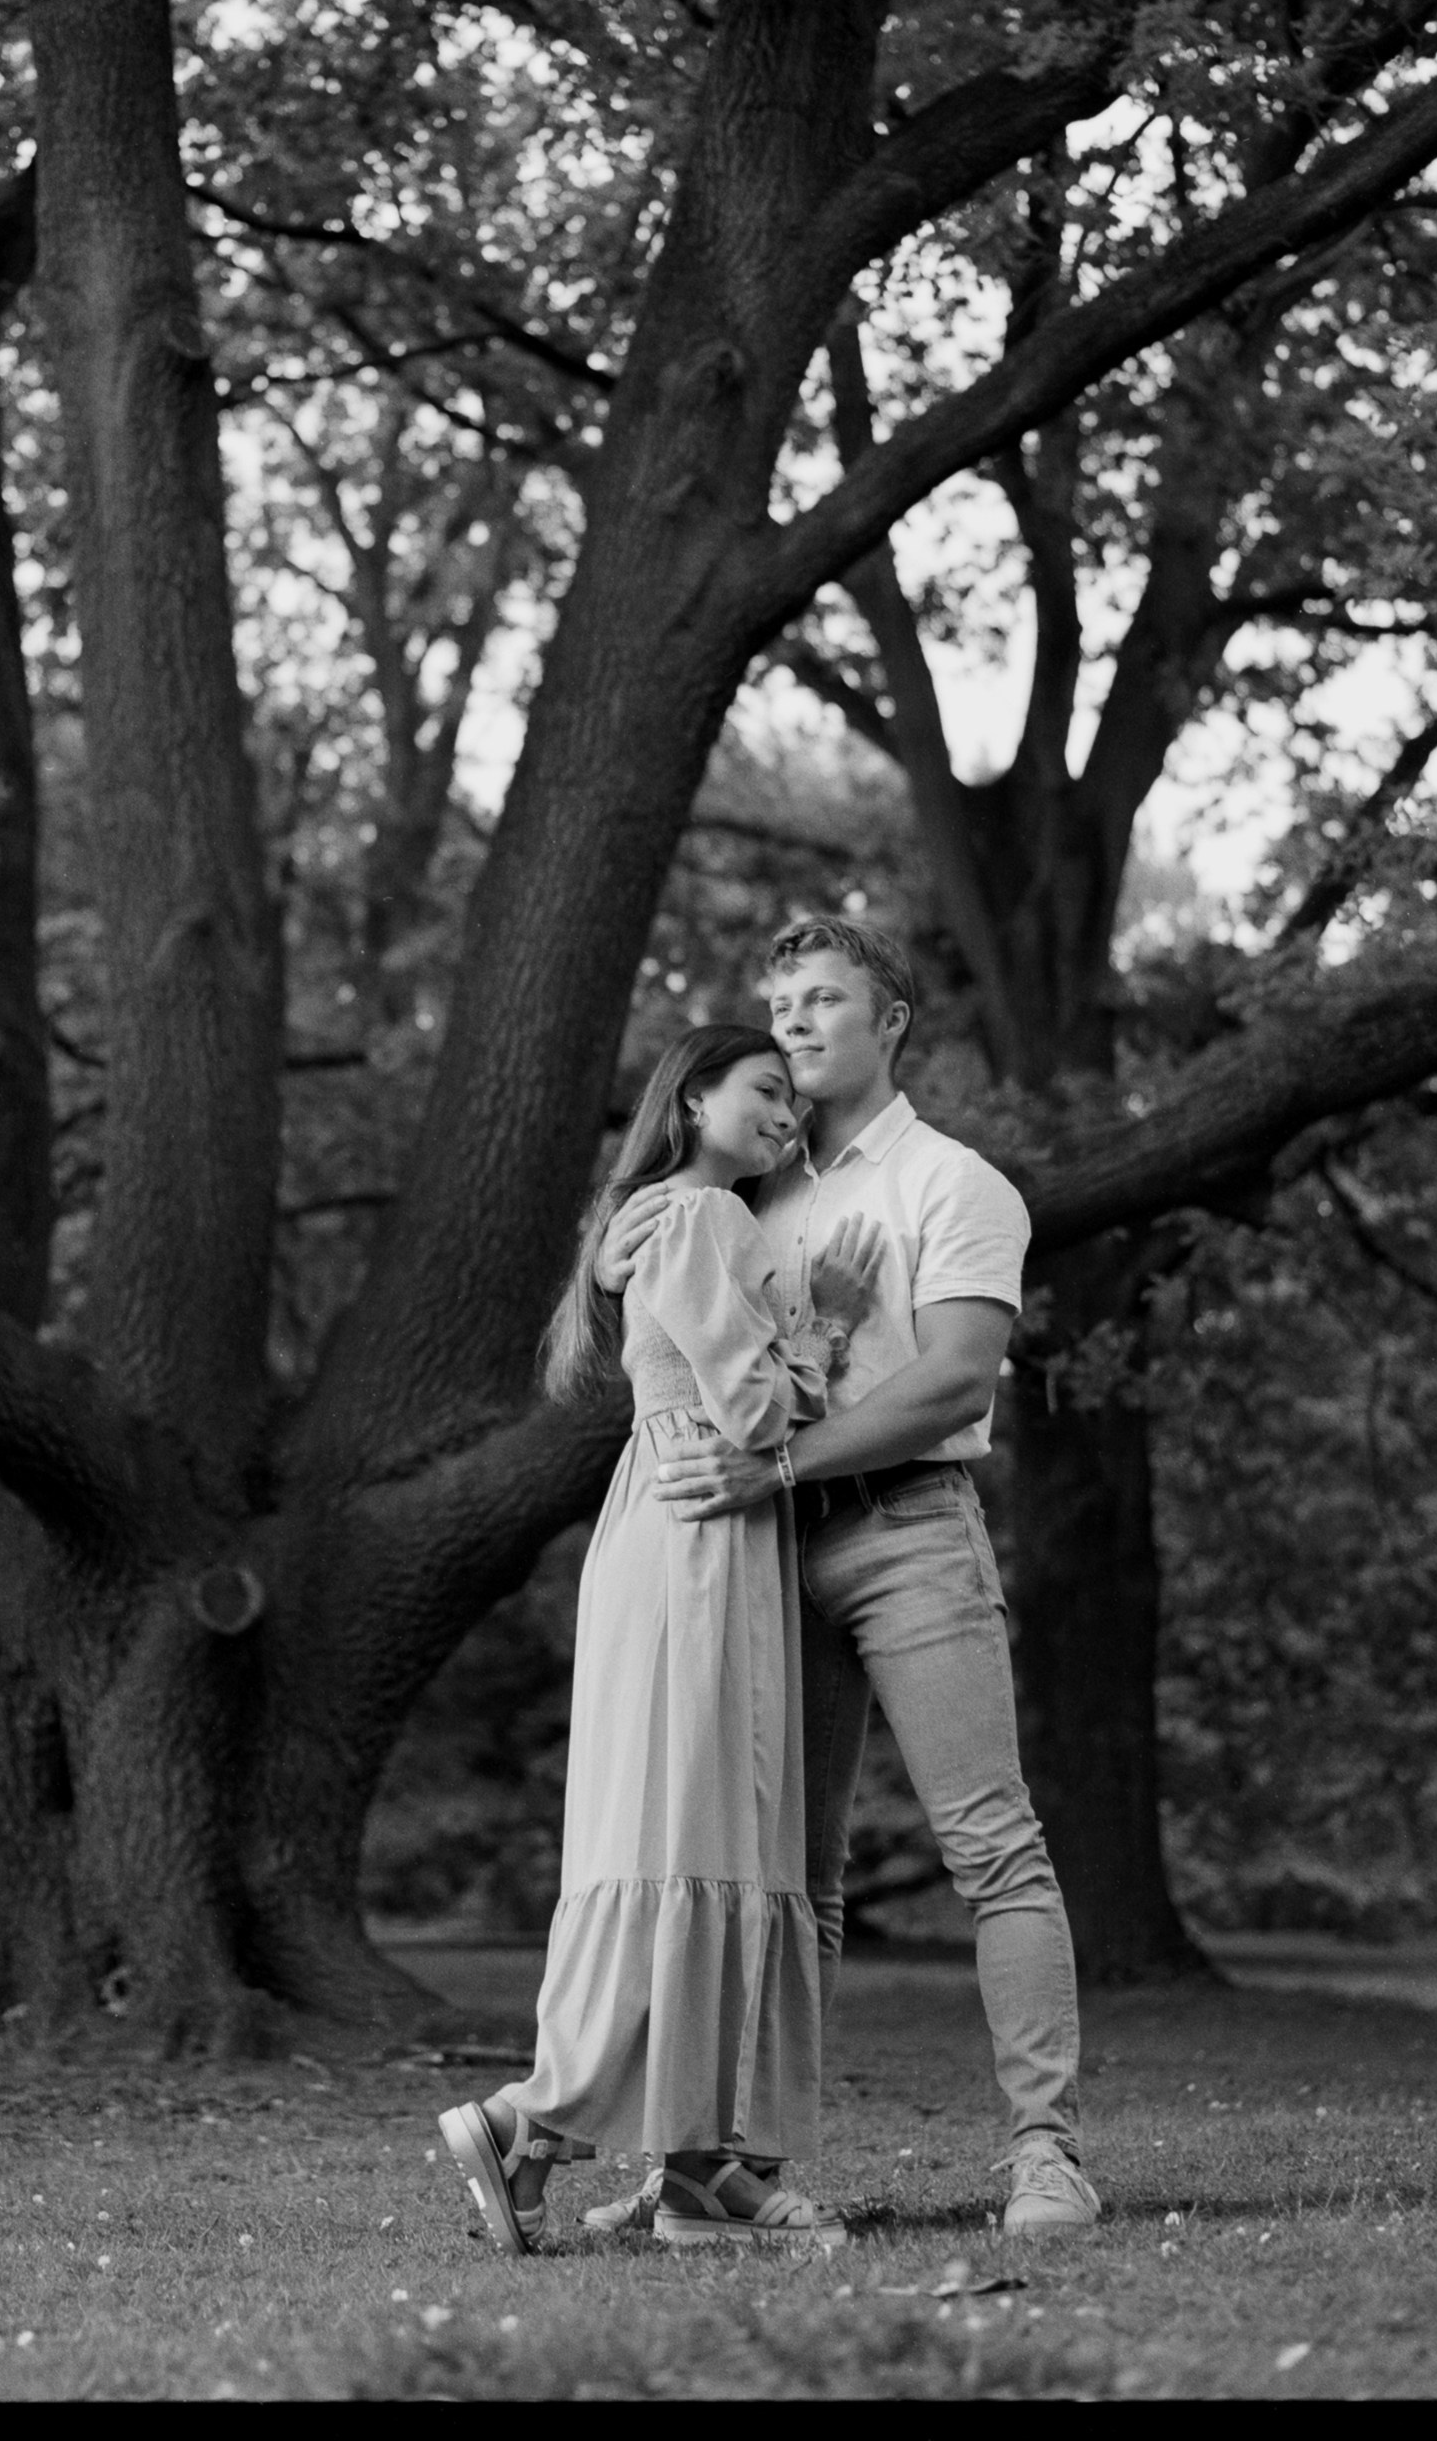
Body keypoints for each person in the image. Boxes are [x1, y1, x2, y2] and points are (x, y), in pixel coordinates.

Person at [587, 915, 1100, 2240]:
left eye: (823, 999)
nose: (798, 1023)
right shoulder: (754, 1187)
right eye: (781, 1004)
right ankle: (727, 2168)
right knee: (781, 1879)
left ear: (890, 1021)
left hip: (904, 1536)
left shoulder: (951, 1185)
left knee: (988, 1846)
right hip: (755, 1557)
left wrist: (781, 1461)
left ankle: (1045, 2156)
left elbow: (950, 1379)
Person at [435, 1023, 882, 2253]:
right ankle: (536, 2122)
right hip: (700, 1530)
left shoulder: (665, 1218)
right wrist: (829, 1331)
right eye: (763, 1088)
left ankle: (697, 2169)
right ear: (690, 1096)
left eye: (795, 1098)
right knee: (694, 1821)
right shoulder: (701, 1220)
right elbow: (751, 1404)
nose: (787, 1111)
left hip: (682, 1527)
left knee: (697, 1824)